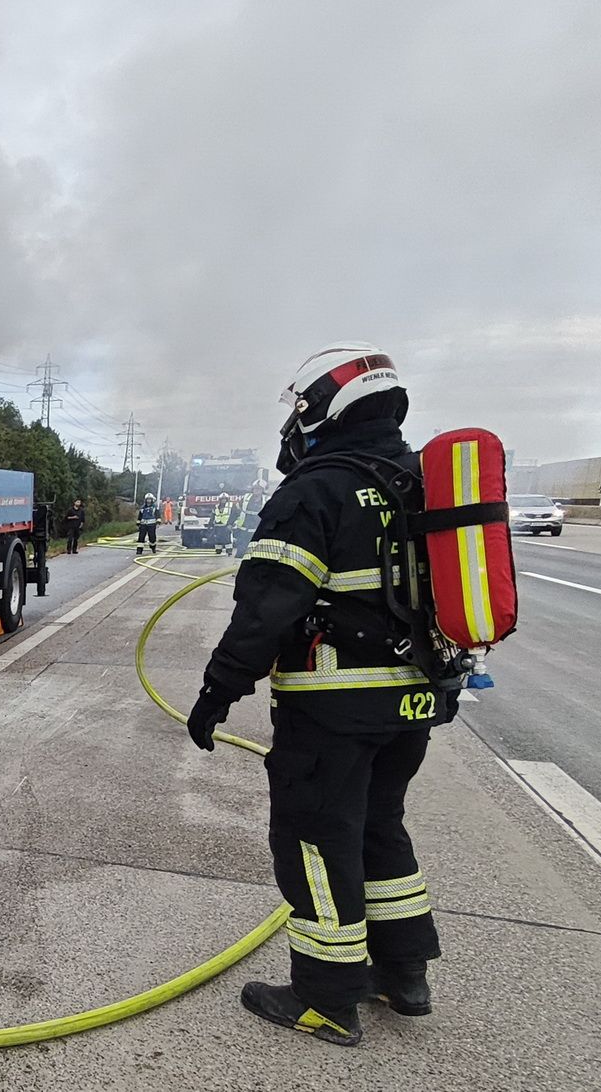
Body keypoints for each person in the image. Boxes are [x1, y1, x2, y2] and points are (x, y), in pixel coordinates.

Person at [186, 343, 446, 1047]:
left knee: (314, 838)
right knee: (377, 826)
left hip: (333, 707)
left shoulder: (318, 488)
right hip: (413, 702)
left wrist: (217, 691)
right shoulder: (419, 481)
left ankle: (325, 997)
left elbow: (267, 605)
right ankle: (403, 972)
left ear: (320, 408)